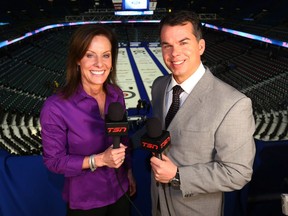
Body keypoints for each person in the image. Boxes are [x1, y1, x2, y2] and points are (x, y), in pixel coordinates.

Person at [149, 10, 256, 216]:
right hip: (157, 203)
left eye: (183, 42)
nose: (174, 53)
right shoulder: (159, 86)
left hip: (195, 209)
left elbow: (238, 172)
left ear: (201, 46)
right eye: (167, 45)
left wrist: (178, 175)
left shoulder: (233, 104)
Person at [40, 24, 136, 216]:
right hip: (87, 202)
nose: (100, 64)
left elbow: (122, 137)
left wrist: (128, 171)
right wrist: (99, 160)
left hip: (121, 191)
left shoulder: (116, 94)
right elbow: (54, 162)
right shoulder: (55, 107)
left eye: (106, 55)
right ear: (77, 59)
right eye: (90, 55)